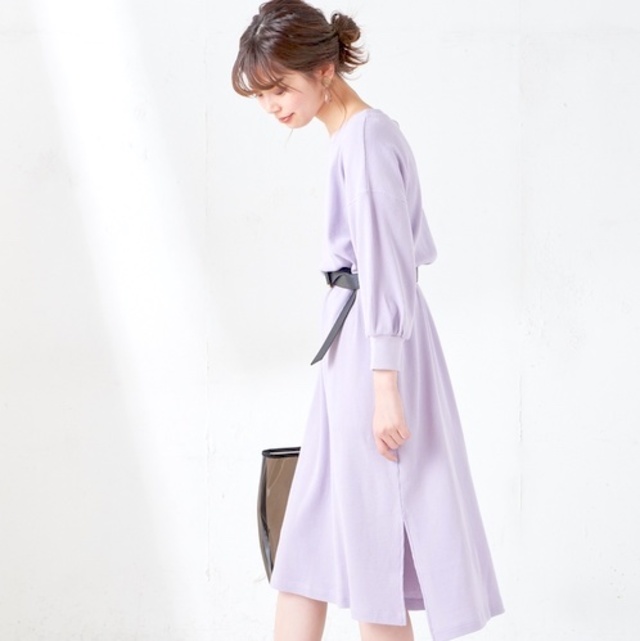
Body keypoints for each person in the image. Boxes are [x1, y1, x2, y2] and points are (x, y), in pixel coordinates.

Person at [232, 2, 504, 640]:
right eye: (261, 94)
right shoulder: (351, 138)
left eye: (280, 89)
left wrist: (386, 385)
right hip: (352, 344)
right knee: (310, 536)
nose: (271, 106)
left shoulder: (366, 138)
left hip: (374, 348)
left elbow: (387, 265)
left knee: (373, 531)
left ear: (323, 70)